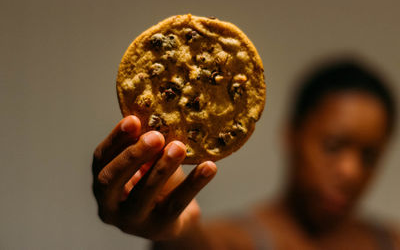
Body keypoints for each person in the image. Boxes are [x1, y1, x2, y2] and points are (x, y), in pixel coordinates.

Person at [92, 57, 400, 249]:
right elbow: (192, 243)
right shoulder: (235, 240)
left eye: (370, 157)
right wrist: (168, 235)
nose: (350, 171)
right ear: (292, 135)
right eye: (333, 146)